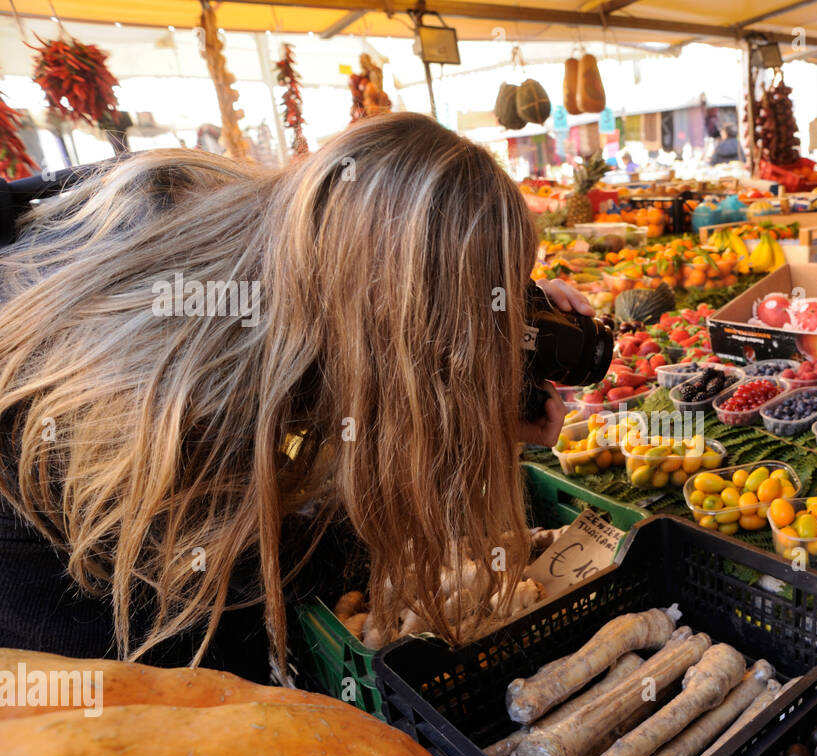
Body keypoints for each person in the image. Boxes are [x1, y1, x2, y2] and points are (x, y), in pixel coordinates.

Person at [0, 112, 585, 682]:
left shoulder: (290, 237)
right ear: (397, 313)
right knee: (204, 695)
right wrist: (456, 426)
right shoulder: (194, 383)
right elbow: (269, 573)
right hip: (66, 583)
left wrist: (499, 339)